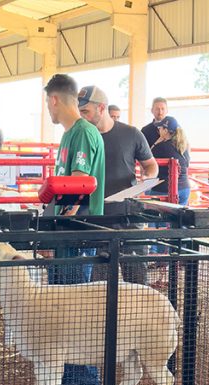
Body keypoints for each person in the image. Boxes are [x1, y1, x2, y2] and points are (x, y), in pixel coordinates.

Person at [43, 73, 106, 385]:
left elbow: (80, 183)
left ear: (55, 99)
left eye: (47, 103)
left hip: (77, 234)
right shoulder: (72, 134)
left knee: (76, 311)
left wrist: (59, 216)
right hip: (68, 234)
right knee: (63, 310)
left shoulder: (81, 132)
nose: (48, 110)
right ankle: (69, 384)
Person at [77, 85, 158, 284]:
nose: (82, 117)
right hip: (98, 219)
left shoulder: (132, 134)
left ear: (101, 108)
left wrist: (148, 177)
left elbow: (151, 165)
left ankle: (139, 315)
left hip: (128, 216)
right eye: (80, 112)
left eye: (86, 111)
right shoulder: (83, 137)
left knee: (137, 280)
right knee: (101, 285)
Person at [150, 116, 190, 205]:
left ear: (165, 130)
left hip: (165, 189)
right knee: (180, 217)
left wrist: (157, 142)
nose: (158, 130)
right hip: (184, 188)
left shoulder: (161, 147)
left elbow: (148, 158)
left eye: (160, 128)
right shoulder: (183, 146)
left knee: (146, 195)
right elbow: (187, 164)